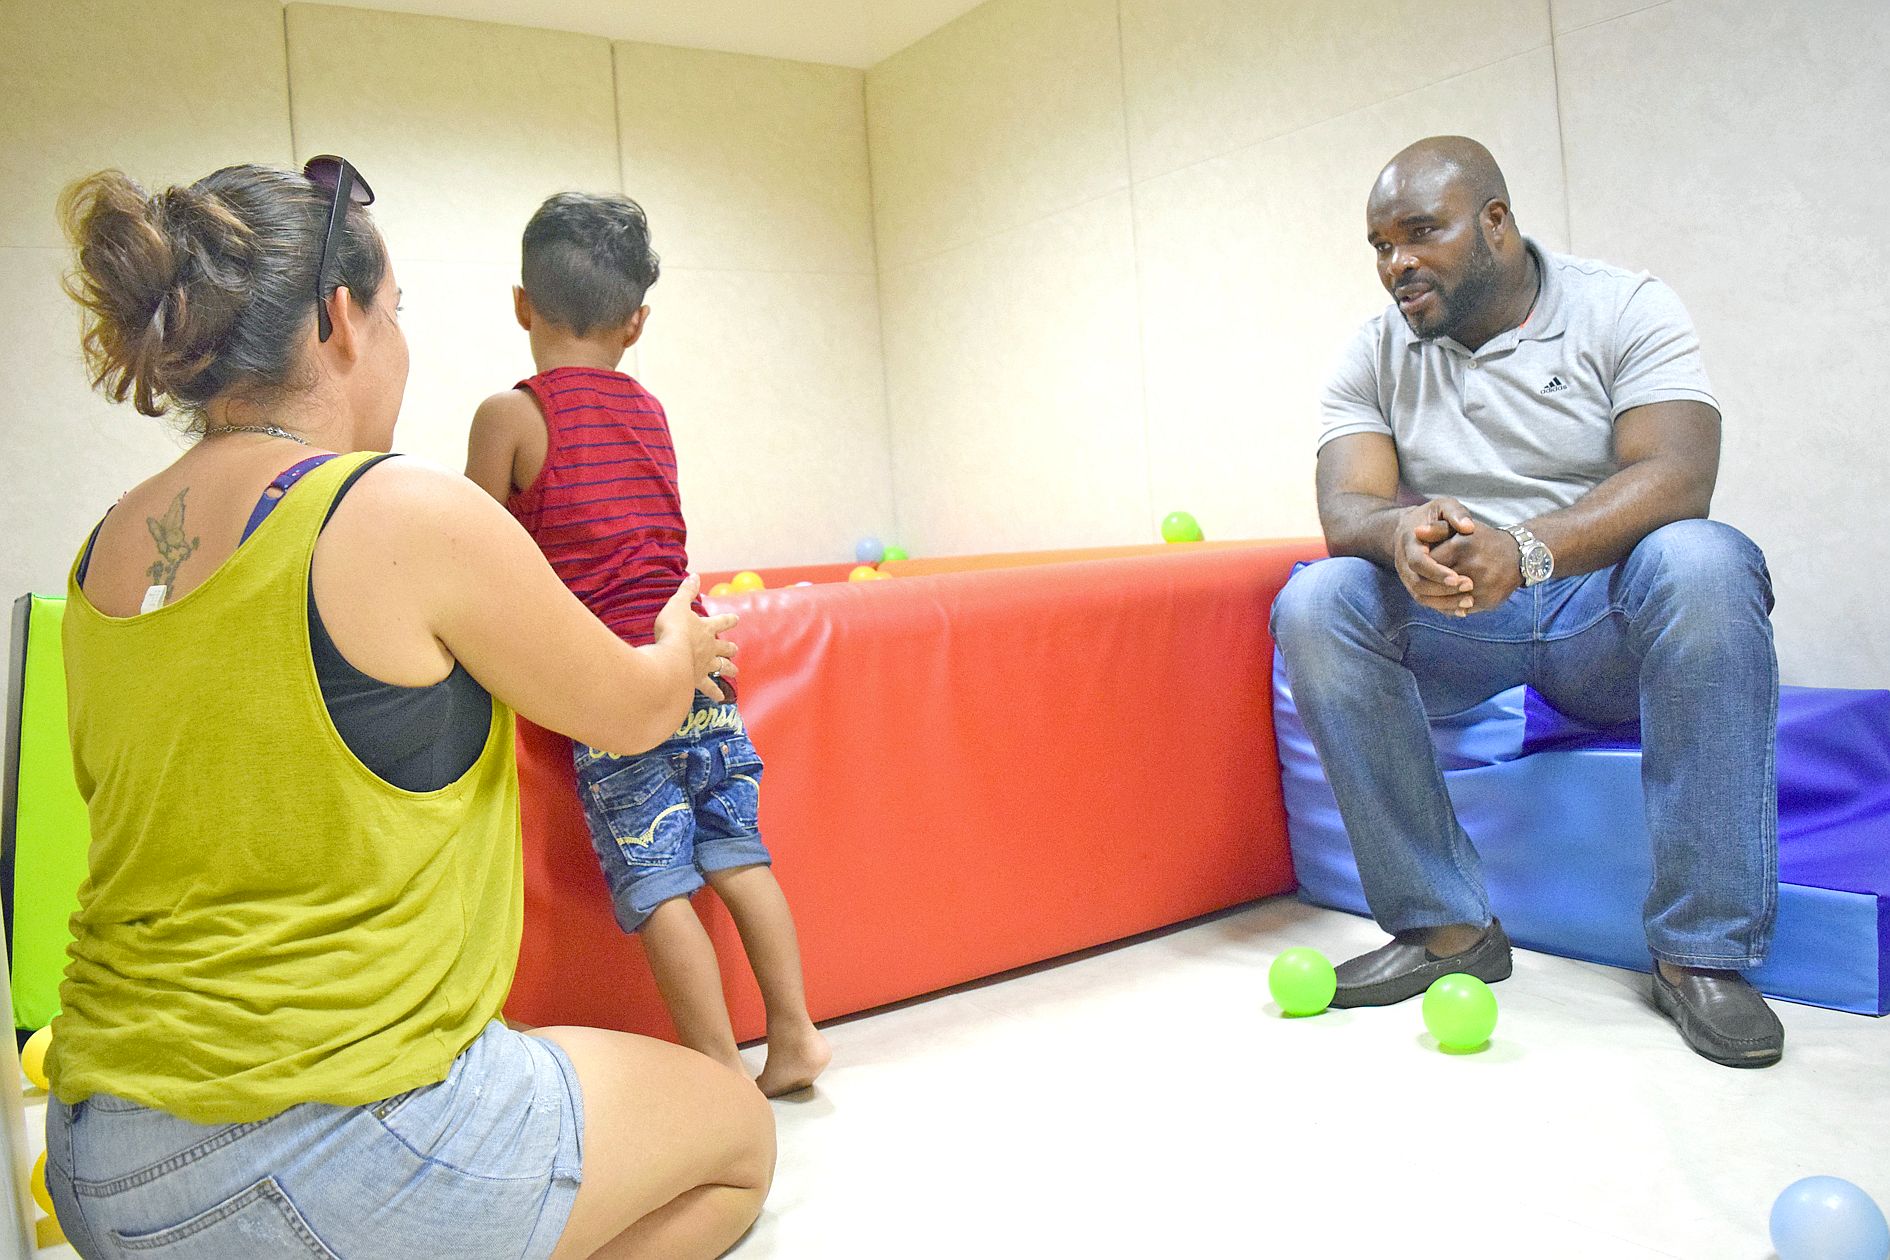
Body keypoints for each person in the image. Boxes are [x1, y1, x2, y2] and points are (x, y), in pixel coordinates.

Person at [44, 158, 774, 1259]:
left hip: (96, 1155)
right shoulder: (394, 506)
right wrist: (678, 641)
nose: (399, 341)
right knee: (738, 1138)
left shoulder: (104, 550)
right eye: (397, 311)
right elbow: (631, 711)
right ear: (342, 319)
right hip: (316, 1160)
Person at [1270, 136, 1785, 1068]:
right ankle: (1447, 931)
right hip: (1463, 623)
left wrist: (1531, 550)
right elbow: (1346, 503)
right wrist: (1401, 538)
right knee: (1321, 598)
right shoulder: (1372, 350)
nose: (1397, 265)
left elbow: (1678, 473)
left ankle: (1702, 953)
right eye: (1381, 245)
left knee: (1705, 559)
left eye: (1420, 233)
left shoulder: (1624, 305)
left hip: (1603, 619)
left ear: (1496, 224)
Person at [465, 192, 830, 1098]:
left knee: (659, 877)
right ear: (637, 324)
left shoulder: (509, 418)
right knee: (739, 855)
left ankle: (715, 1070)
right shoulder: (649, 410)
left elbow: (474, 552)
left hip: (617, 684)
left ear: (522, 304)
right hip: (701, 661)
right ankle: (795, 1036)